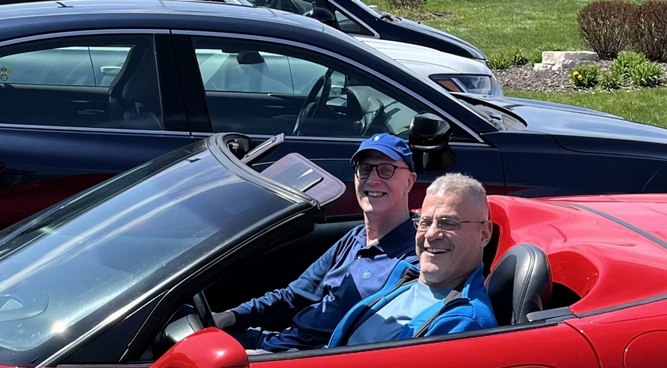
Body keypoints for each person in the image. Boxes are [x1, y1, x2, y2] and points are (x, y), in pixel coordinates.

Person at [213, 134, 418, 352]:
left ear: (409, 181)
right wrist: (230, 316)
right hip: (280, 340)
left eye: (386, 170)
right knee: (186, 329)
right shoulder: (354, 239)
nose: (373, 179)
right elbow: (292, 297)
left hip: (305, 360)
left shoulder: (415, 256)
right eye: (364, 169)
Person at [328, 173, 497, 347]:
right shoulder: (404, 281)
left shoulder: (463, 324)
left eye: (448, 223)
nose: (431, 234)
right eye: (425, 222)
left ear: (484, 234)